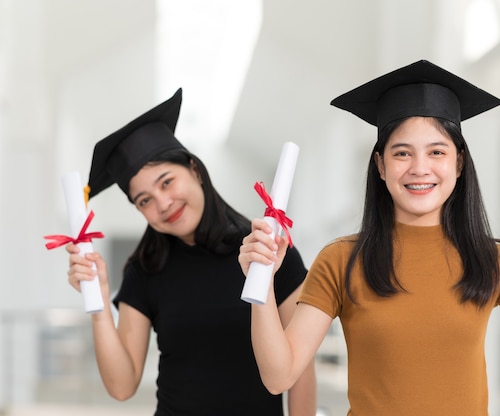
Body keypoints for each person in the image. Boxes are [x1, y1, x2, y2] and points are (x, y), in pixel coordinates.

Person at [238, 60, 500, 415]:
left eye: (437, 152)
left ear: (458, 163)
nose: (419, 168)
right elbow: (278, 376)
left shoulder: (490, 260)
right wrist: (263, 283)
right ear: (380, 165)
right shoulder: (341, 259)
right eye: (402, 153)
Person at [65, 88, 316, 415]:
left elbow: (300, 372)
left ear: (195, 170)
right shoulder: (145, 269)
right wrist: (96, 303)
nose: (163, 203)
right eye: (144, 200)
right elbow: (122, 385)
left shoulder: (267, 251)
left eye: (167, 182)